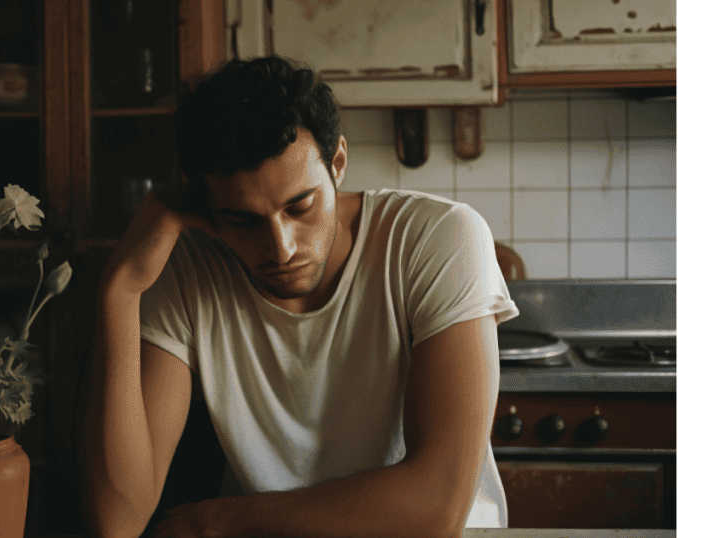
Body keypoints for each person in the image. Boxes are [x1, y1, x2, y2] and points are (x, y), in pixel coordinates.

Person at [81, 55, 519, 538]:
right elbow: (118, 521)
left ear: (338, 164)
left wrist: (219, 520)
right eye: (243, 220)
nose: (281, 248)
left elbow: (436, 508)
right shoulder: (190, 268)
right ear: (203, 205)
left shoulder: (439, 237)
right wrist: (121, 289)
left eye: (300, 206)